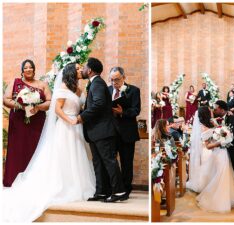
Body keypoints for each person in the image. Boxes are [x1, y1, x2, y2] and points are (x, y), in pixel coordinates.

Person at [2, 63, 96, 222]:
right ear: (71, 72)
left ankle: (76, 183)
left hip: (77, 128)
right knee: (62, 157)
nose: (81, 70)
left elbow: (81, 106)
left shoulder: (79, 90)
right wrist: (71, 121)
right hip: (66, 127)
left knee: (77, 158)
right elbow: (57, 109)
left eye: (81, 68)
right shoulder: (62, 88)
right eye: (78, 68)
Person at [77, 58, 126, 203]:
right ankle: (101, 191)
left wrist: (82, 116)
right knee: (98, 163)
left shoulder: (97, 83)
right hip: (96, 132)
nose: (83, 70)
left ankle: (119, 191)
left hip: (103, 130)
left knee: (109, 161)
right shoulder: (95, 83)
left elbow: (98, 103)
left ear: (90, 70)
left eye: (84, 67)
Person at [3, 59, 52, 187]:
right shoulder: (15, 82)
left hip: (36, 122)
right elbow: (6, 99)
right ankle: (14, 178)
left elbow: (49, 102)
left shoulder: (42, 84)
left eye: (31, 67)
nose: (28, 69)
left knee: (35, 148)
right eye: (26, 68)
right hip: (18, 122)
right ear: (22, 70)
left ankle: (35, 180)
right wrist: (21, 105)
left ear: (34, 70)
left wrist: (37, 107)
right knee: (18, 148)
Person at [187, 106, 234, 212]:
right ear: (206, 113)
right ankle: (219, 198)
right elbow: (207, 146)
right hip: (217, 152)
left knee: (226, 173)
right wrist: (220, 142)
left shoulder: (213, 122)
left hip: (224, 151)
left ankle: (228, 196)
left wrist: (225, 136)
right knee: (221, 173)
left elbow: (222, 130)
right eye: (210, 110)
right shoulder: (202, 127)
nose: (212, 111)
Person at [108, 66, 141, 199]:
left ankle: (126, 190)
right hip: (110, 131)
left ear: (124, 77)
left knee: (127, 162)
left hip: (127, 131)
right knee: (111, 161)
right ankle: (114, 188)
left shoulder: (133, 90)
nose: (114, 83)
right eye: (112, 80)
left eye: (117, 80)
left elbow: (136, 110)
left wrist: (123, 112)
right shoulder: (107, 90)